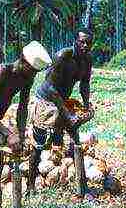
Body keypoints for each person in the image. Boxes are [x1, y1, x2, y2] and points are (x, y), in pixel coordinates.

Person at [0, 41, 52, 208]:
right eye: (33, 71)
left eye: (36, 73)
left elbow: (22, 107)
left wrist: (21, 134)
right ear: (23, 61)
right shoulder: (1, 71)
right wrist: (7, 134)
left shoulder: (26, 78)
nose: (34, 76)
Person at [26, 29, 94, 195]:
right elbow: (50, 87)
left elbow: (84, 84)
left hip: (62, 101)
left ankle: (81, 186)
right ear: (75, 41)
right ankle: (30, 186)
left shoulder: (87, 60)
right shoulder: (63, 56)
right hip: (46, 102)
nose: (85, 45)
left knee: (76, 140)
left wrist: (86, 105)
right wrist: (66, 113)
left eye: (88, 43)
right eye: (82, 42)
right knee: (38, 145)